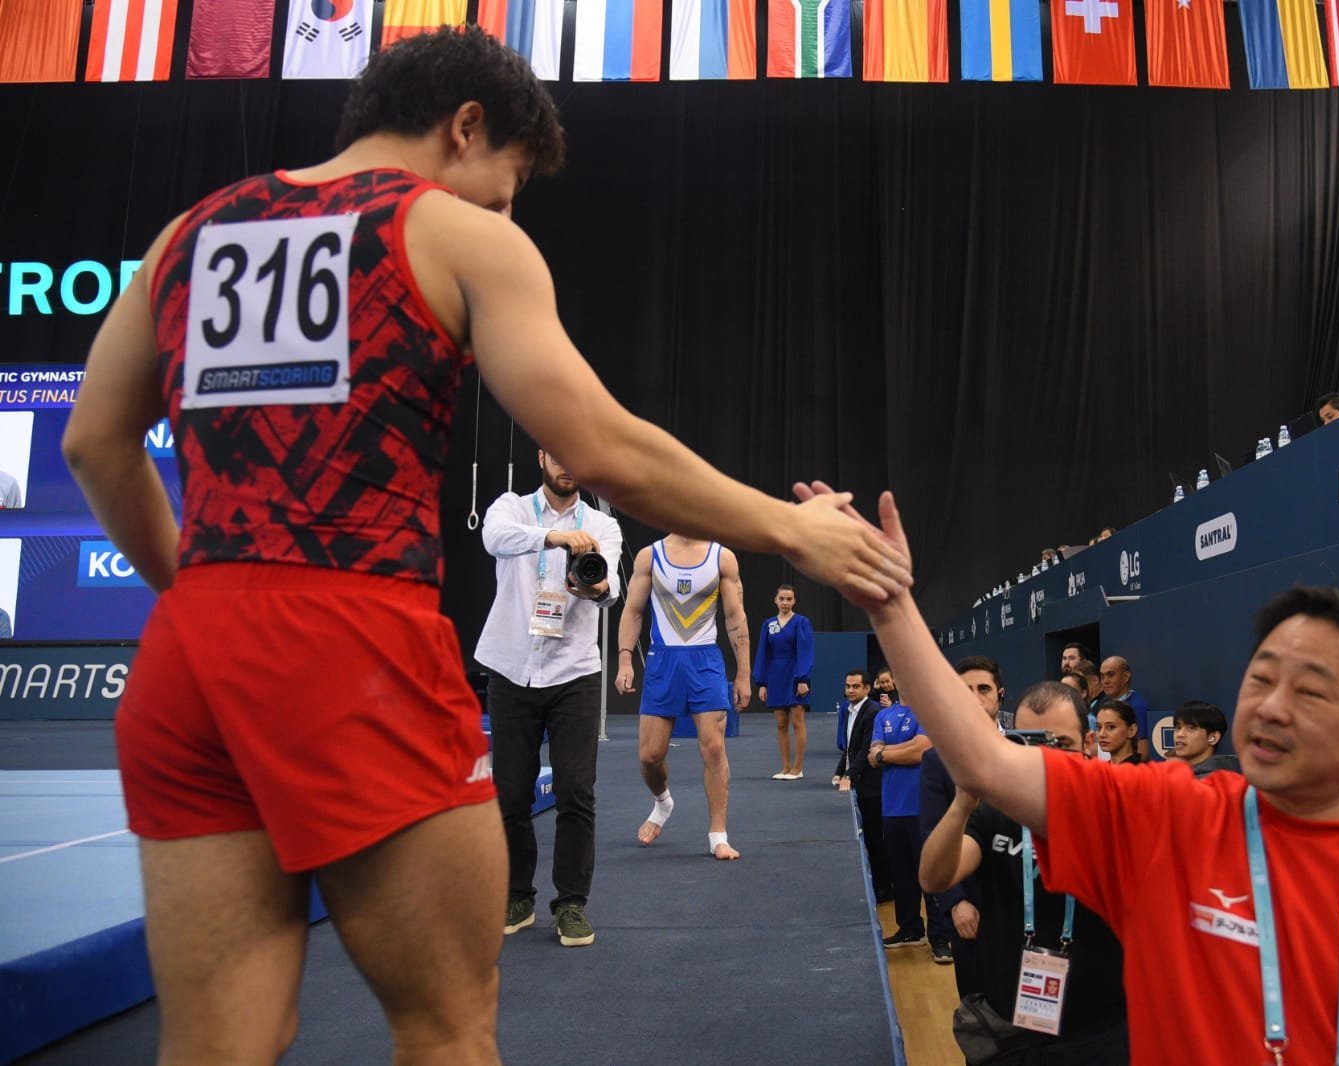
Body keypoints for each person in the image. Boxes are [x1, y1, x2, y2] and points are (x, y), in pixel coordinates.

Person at [61, 29, 908, 1064]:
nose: (506, 213)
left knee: (213, 1043)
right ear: (463, 128)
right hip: (352, 646)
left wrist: (200, 601)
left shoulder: (185, 236)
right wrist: (791, 528)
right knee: (448, 1029)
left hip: (185, 666)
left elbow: (94, 443)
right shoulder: (450, 233)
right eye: (505, 185)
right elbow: (600, 445)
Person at [794, 482, 1339, 1063]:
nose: (1270, 707)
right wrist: (891, 605)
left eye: (1310, 691)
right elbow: (985, 759)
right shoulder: (1167, 815)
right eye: (1261, 678)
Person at [922, 681, 1128, 1065]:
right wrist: (962, 804)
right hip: (1011, 1028)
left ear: (1088, 744)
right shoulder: (995, 812)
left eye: (1060, 744)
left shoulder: (1117, 812)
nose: (1044, 758)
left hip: (1102, 1028)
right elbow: (934, 878)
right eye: (1029, 742)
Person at [473, 448, 622, 945]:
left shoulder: (603, 525)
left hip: (573, 671)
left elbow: (610, 584)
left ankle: (572, 905)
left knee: (576, 792)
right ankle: (518, 895)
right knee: (511, 794)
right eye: (556, 454)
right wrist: (554, 537)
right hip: (512, 667)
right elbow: (494, 539)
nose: (567, 464)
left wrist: (596, 589)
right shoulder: (511, 508)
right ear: (541, 456)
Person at [615, 533, 750, 860]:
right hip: (664, 660)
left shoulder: (722, 558)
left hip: (705, 660)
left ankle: (718, 835)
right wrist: (624, 660)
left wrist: (744, 673)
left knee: (714, 746)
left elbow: (735, 617)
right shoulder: (650, 556)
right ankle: (663, 803)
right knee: (650, 756)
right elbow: (633, 611)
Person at [920, 656, 1003, 981]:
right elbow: (932, 836)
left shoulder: (1024, 750)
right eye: (965, 690)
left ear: (1000, 694)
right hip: (969, 908)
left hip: (1025, 907)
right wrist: (954, 903)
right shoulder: (936, 762)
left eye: (983, 688)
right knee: (976, 1006)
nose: (975, 697)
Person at [871, 670, 932, 948]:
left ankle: (940, 936)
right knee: (902, 874)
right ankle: (909, 929)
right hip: (892, 807)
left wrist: (887, 753)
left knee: (930, 873)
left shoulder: (928, 712)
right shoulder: (883, 716)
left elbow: (921, 751)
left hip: (923, 805)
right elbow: (873, 756)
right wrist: (894, 752)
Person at [843, 668, 897, 903]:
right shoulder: (852, 710)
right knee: (872, 840)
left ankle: (885, 888)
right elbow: (851, 747)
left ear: (867, 688)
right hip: (863, 784)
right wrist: (841, 772)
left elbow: (866, 748)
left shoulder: (872, 711)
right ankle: (881, 885)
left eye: (855, 686)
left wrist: (849, 776)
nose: (850, 690)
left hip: (872, 787)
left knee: (876, 840)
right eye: (847, 686)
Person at [753, 584, 814, 780]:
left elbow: (805, 651)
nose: (785, 602)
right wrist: (762, 682)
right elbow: (763, 653)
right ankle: (785, 767)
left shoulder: (801, 622)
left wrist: (802, 678)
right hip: (775, 675)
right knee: (780, 723)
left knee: (797, 720)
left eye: (789, 599)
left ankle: (798, 767)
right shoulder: (768, 624)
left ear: (794, 601)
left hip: (795, 673)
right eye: (782, 599)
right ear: (776, 600)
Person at [1096, 658, 1154, 759]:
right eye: (1102, 676)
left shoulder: (1138, 707)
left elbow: (1143, 752)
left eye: (1110, 675)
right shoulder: (1103, 702)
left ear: (1126, 676)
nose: (1105, 681)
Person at [1167, 700, 1239, 779]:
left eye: (1191, 728)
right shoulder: (1176, 775)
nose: (1180, 734)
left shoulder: (1217, 782)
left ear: (1213, 738)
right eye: (1178, 728)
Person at [1094, 701, 1141, 766]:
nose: (1101, 734)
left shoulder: (1141, 772)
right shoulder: (1101, 771)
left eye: (1111, 727)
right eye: (1099, 727)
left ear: (1131, 730)